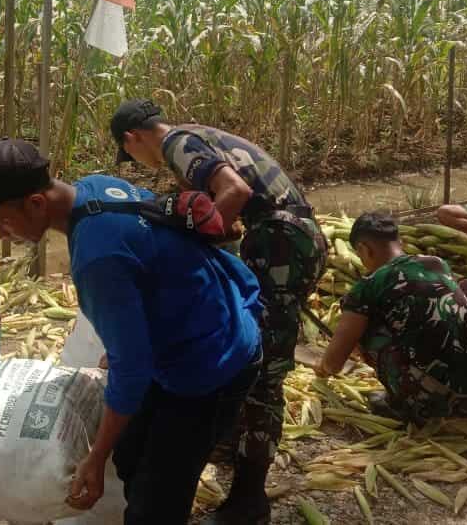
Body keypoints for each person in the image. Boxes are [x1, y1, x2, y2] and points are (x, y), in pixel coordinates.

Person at [0, 138, 262, 525]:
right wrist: (126, 344)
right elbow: (154, 262)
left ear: (36, 203)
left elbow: (131, 375)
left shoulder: (97, 258)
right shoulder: (92, 187)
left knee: (154, 503)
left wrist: (93, 460)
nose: (2, 234)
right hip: (196, 323)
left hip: (211, 361)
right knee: (129, 458)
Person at [108, 99, 325, 524]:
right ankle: (231, 437)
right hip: (286, 240)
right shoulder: (195, 136)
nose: (136, 160)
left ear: (133, 138)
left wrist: (188, 251)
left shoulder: (176, 143)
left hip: (280, 243)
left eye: (128, 153)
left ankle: (249, 500)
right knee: (244, 345)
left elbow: (236, 193)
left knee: (264, 372)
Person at [315, 212, 467, 425]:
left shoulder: (369, 286)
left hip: (439, 405)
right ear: (400, 241)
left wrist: (323, 368)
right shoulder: (436, 264)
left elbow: (334, 362)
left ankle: (409, 404)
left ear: (364, 250)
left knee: (366, 325)